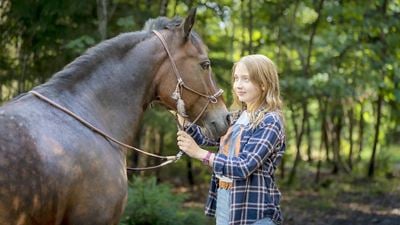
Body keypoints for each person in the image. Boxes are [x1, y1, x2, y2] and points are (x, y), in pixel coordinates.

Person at [177, 54, 286, 225]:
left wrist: (201, 155)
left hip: (252, 207)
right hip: (224, 198)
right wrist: (181, 116)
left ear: (263, 84)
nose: (238, 85)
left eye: (246, 79)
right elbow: (206, 137)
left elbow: (244, 166)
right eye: (236, 78)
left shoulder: (270, 121)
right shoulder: (236, 117)